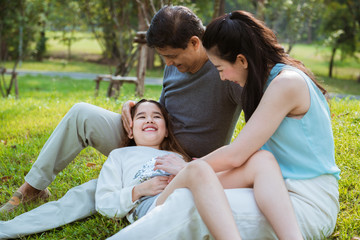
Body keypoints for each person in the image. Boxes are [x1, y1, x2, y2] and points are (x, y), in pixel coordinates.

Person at [107, 9, 341, 240]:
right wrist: (192, 176)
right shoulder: (268, 83)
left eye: (220, 68)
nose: (221, 77)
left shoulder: (286, 83)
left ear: (241, 60)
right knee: (195, 194)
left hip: (306, 201)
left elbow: (236, 155)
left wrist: (187, 169)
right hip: (271, 187)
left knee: (189, 205)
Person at [0, 5, 241, 215]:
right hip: (150, 142)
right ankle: (32, 188)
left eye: (172, 57)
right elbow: (162, 109)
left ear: (195, 43)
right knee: (81, 113)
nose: (168, 64)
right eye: (164, 57)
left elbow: (261, 114)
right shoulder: (175, 66)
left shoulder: (225, 71)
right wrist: (136, 108)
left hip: (181, 162)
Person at [0, 99, 240, 239]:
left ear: (166, 130)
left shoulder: (176, 156)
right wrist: (139, 189)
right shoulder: (120, 155)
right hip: (150, 204)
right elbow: (105, 202)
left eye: (157, 117)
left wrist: (185, 167)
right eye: (141, 117)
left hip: (185, 194)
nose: (149, 120)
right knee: (80, 197)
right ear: (129, 129)